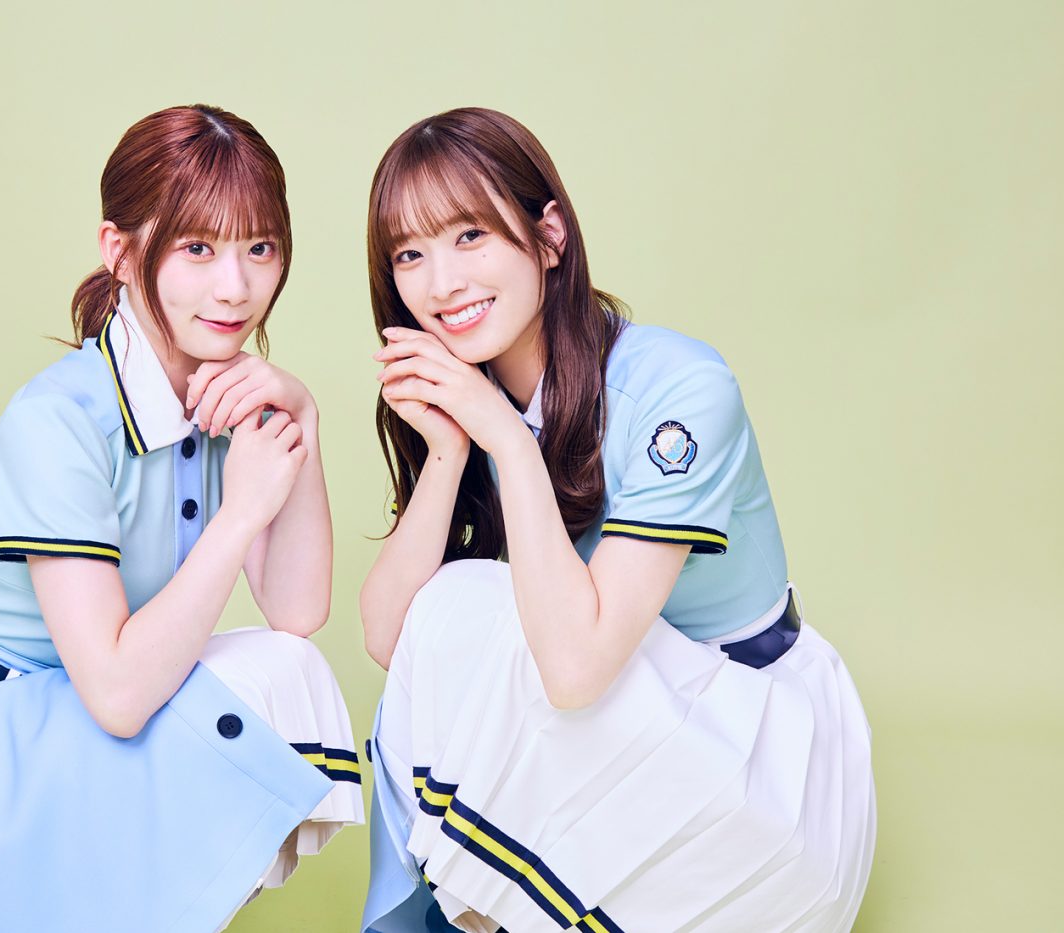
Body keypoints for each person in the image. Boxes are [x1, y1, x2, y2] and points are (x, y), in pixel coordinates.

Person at [0, 104, 363, 933]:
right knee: (249, 691)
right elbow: (115, 693)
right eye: (197, 248)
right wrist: (243, 510)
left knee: (286, 671)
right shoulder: (57, 422)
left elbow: (296, 610)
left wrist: (304, 422)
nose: (236, 286)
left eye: (260, 248)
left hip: (69, 718)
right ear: (120, 250)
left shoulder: (221, 389)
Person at [357, 108, 875, 933]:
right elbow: (395, 638)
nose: (442, 283)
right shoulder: (477, 396)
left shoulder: (680, 388)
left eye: (470, 235)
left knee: (482, 608)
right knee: (462, 611)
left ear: (549, 236)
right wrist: (452, 450)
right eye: (410, 254)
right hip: (624, 739)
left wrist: (503, 439)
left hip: (757, 772)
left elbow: (574, 668)